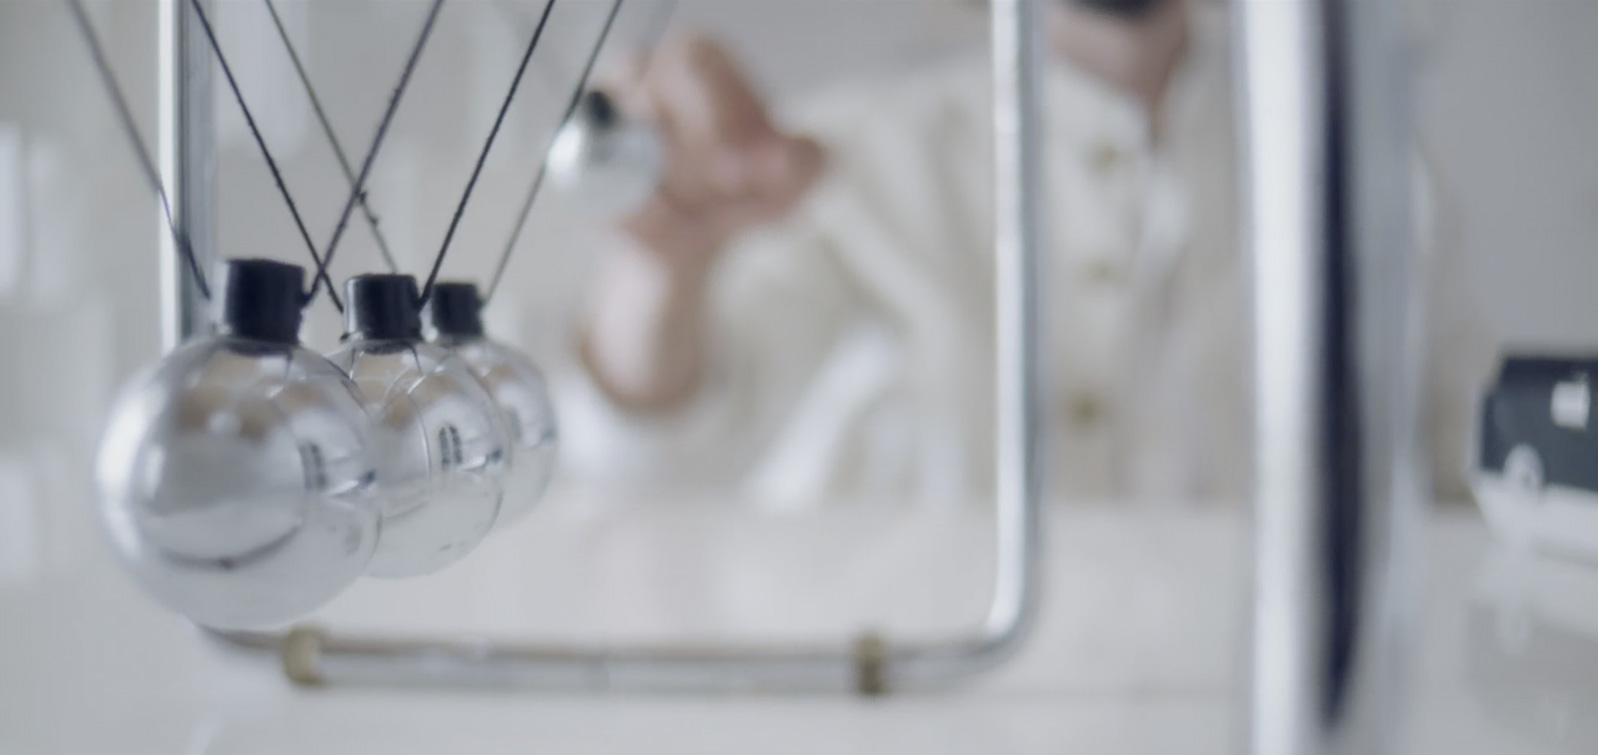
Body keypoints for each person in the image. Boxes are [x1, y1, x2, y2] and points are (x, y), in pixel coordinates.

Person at [565, 0, 1484, 507]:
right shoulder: (847, 159)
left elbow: (1463, 503)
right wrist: (662, 261)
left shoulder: (1371, 177)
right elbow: (651, 459)